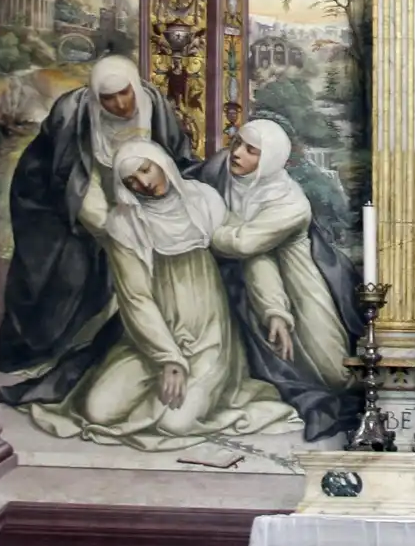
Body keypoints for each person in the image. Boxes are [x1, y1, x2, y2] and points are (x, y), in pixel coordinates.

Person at [25, 140, 300, 451]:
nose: (144, 183)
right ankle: (169, 380)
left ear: (162, 163)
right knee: (98, 411)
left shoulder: (203, 200)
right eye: (131, 181)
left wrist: (274, 309)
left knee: (175, 423)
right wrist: (168, 357)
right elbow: (137, 299)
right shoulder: (123, 225)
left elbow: (251, 254)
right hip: (150, 342)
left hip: (208, 337)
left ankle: (213, 390)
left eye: (146, 169)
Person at [0, 55, 196, 404]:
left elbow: (174, 157)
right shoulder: (72, 112)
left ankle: (110, 345)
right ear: (95, 97)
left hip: (138, 195)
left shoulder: (155, 107)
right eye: (109, 98)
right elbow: (61, 172)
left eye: (124, 94)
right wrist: (105, 224)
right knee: (66, 276)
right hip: (68, 200)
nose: (120, 105)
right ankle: (44, 349)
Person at [195, 119, 364, 441]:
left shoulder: (291, 204)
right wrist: (274, 311)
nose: (237, 153)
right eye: (237, 144)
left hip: (299, 275)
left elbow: (246, 246)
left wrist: (203, 226)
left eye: (251, 150)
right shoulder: (221, 171)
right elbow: (255, 257)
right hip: (247, 271)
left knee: (332, 371)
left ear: (271, 159)